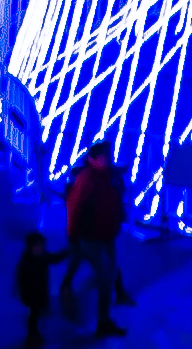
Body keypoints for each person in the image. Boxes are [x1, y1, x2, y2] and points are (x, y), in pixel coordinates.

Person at [61, 144, 131, 336]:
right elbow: (75, 207)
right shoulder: (88, 179)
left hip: (106, 233)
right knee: (106, 277)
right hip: (91, 236)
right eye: (105, 156)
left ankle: (70, 293)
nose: (108, 159)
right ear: (95, 158)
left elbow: (115, 201)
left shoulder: (108, 176)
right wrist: (74, 234)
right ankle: (102, 320)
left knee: (105, 271)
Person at [14, 227, 59, 348]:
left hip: (41, 292)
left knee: (37, 315)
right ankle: (31, 336)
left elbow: (54, 258)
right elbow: (21, 280)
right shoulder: (26, 263)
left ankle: (35, 334)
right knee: (34, 315)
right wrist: (23, 293)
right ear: (30, 247)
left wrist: (67, 252)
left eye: (42, 245)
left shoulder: (43, 256)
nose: (41, 248)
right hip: (32, 295)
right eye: (38, 246)